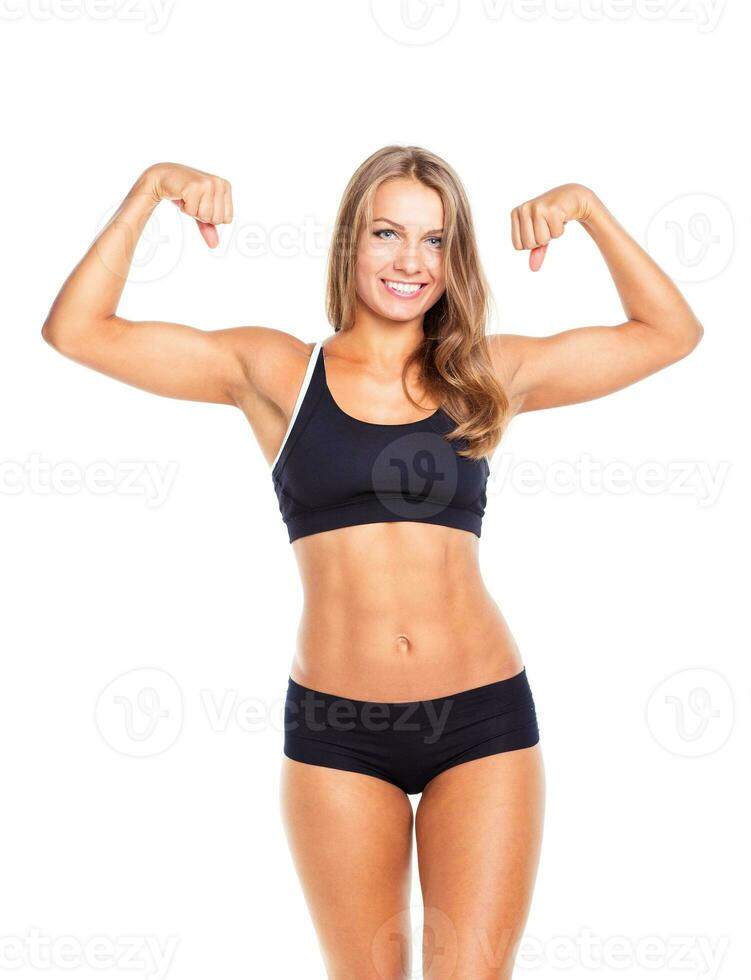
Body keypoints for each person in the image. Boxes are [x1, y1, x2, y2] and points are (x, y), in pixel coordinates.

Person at [42, 146, 703, 980]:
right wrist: (148, 190)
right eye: (387, 232)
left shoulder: (484, 375)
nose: (409, 260)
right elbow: (77, 331)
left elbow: (669, 334)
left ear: (454, 258)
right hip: (337, 735)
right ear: (349, 240)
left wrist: (587, 209)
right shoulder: (280, 371)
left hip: (481, 724)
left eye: (434, 241)